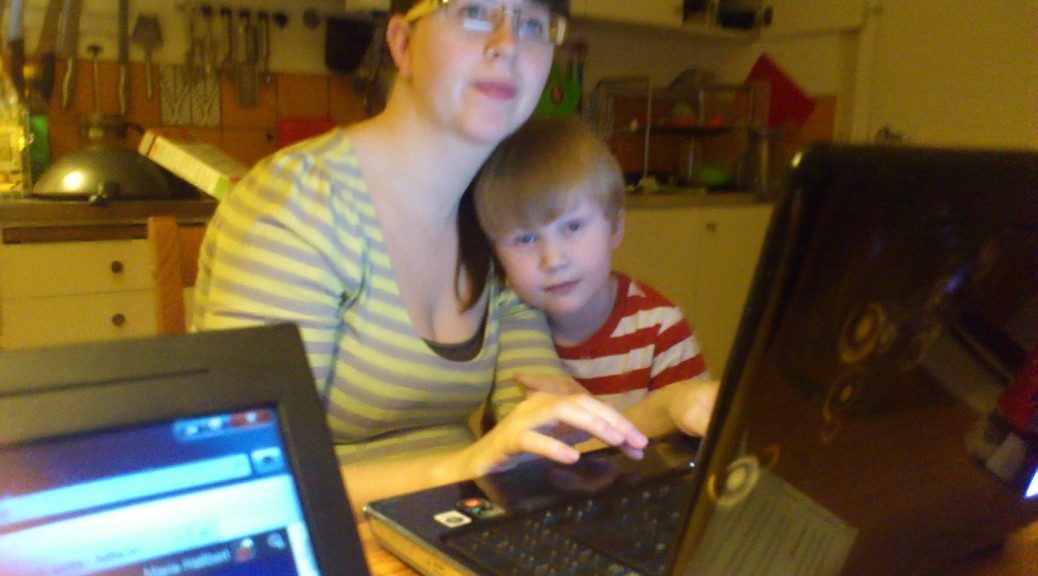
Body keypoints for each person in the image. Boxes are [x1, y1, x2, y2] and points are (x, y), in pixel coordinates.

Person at [191, 0, 648, 509]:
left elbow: (539, 412)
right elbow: (242, 476)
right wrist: (458, 467)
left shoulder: (501, 213)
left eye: (533, 24)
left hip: (458, 521)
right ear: (402, 43)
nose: (508, 44)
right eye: (475, 11)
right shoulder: (298, 205)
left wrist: (666, 408)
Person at [474, 117, 719, 440]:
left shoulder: (662, 330)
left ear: (614, 228)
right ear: (496, 253)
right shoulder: (498, 329)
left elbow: (695, 446)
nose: (553, 260)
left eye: (573, 227)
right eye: (525, 239)